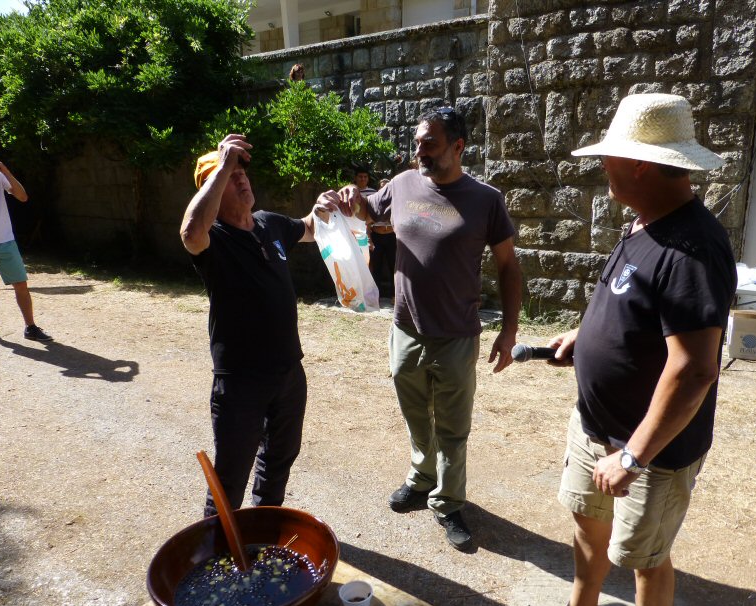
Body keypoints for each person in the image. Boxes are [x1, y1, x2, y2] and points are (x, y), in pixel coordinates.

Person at [518, 94, 737, 606]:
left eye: (609, 156)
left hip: (649, 450)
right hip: (596, 424)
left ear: (639, 163)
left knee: (644, 557)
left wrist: (634, 456)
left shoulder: (692, 248)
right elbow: (627, 300)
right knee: (587, 525)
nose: (603, 166)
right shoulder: (644, 224)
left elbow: (694, 370)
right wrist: (584, 335)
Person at [325, 107, 522, 551]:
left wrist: (509, 330)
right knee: (415, 413)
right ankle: (421, 476)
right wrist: (350, 197)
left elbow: (509, 266)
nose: (420, 151)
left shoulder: (485, 199)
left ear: (458, 146)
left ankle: (448, 502)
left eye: (430, 143)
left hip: (456, 335)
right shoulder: (403, 184)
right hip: (406, 329)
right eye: (417, 143)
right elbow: (367, 208)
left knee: (452, 425)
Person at [180, 133, 333, 517]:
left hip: (288, 371)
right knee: (231, 475)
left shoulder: (268, 223)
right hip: (241, 381)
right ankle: (219, 542)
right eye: (229, 176)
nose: (241, 179)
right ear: (212, 190)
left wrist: (324, 205)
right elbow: (190, 233)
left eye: (241, 173)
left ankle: (264, 524)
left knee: (280, 457)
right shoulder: (214, 239)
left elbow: (310, 228)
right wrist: (223, 163)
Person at [0, 141, 52, 344]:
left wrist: (4, 169)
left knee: (21, 285)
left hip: (5, 241)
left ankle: (31, 327)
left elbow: (22, 197)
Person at [366, 176, 396, 299]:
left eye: (386, 186)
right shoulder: (373, 201)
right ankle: (376, 295)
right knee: (376, 266)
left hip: (392, 237)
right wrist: (369, 239)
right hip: (377, 237)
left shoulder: (396, 200)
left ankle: (395, 295)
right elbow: (367, 222)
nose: (384, 188)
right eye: (382, 186)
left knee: (394, 266)